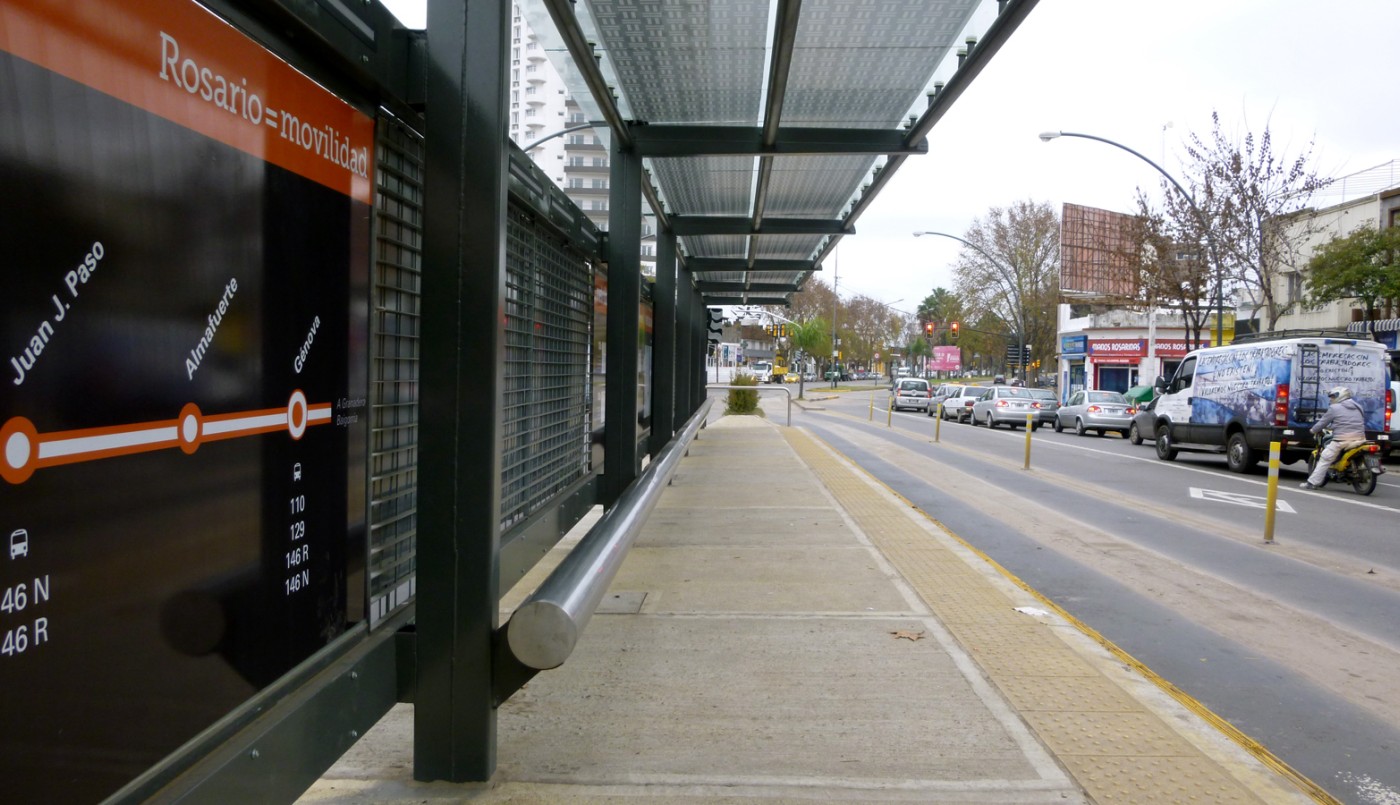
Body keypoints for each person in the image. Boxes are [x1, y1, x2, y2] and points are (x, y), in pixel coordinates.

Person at [1300, 386, 1367, 489]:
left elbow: (1323, 422)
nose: (1331, 399)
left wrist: (1313, 430)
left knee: (1325, 458)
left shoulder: (1334, 408)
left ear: (1341, 396)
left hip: (1342, 440)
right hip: (1360, 438)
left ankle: (1312, 483)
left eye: (1333, 396)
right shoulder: (1358, 406)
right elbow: (1350, 421)